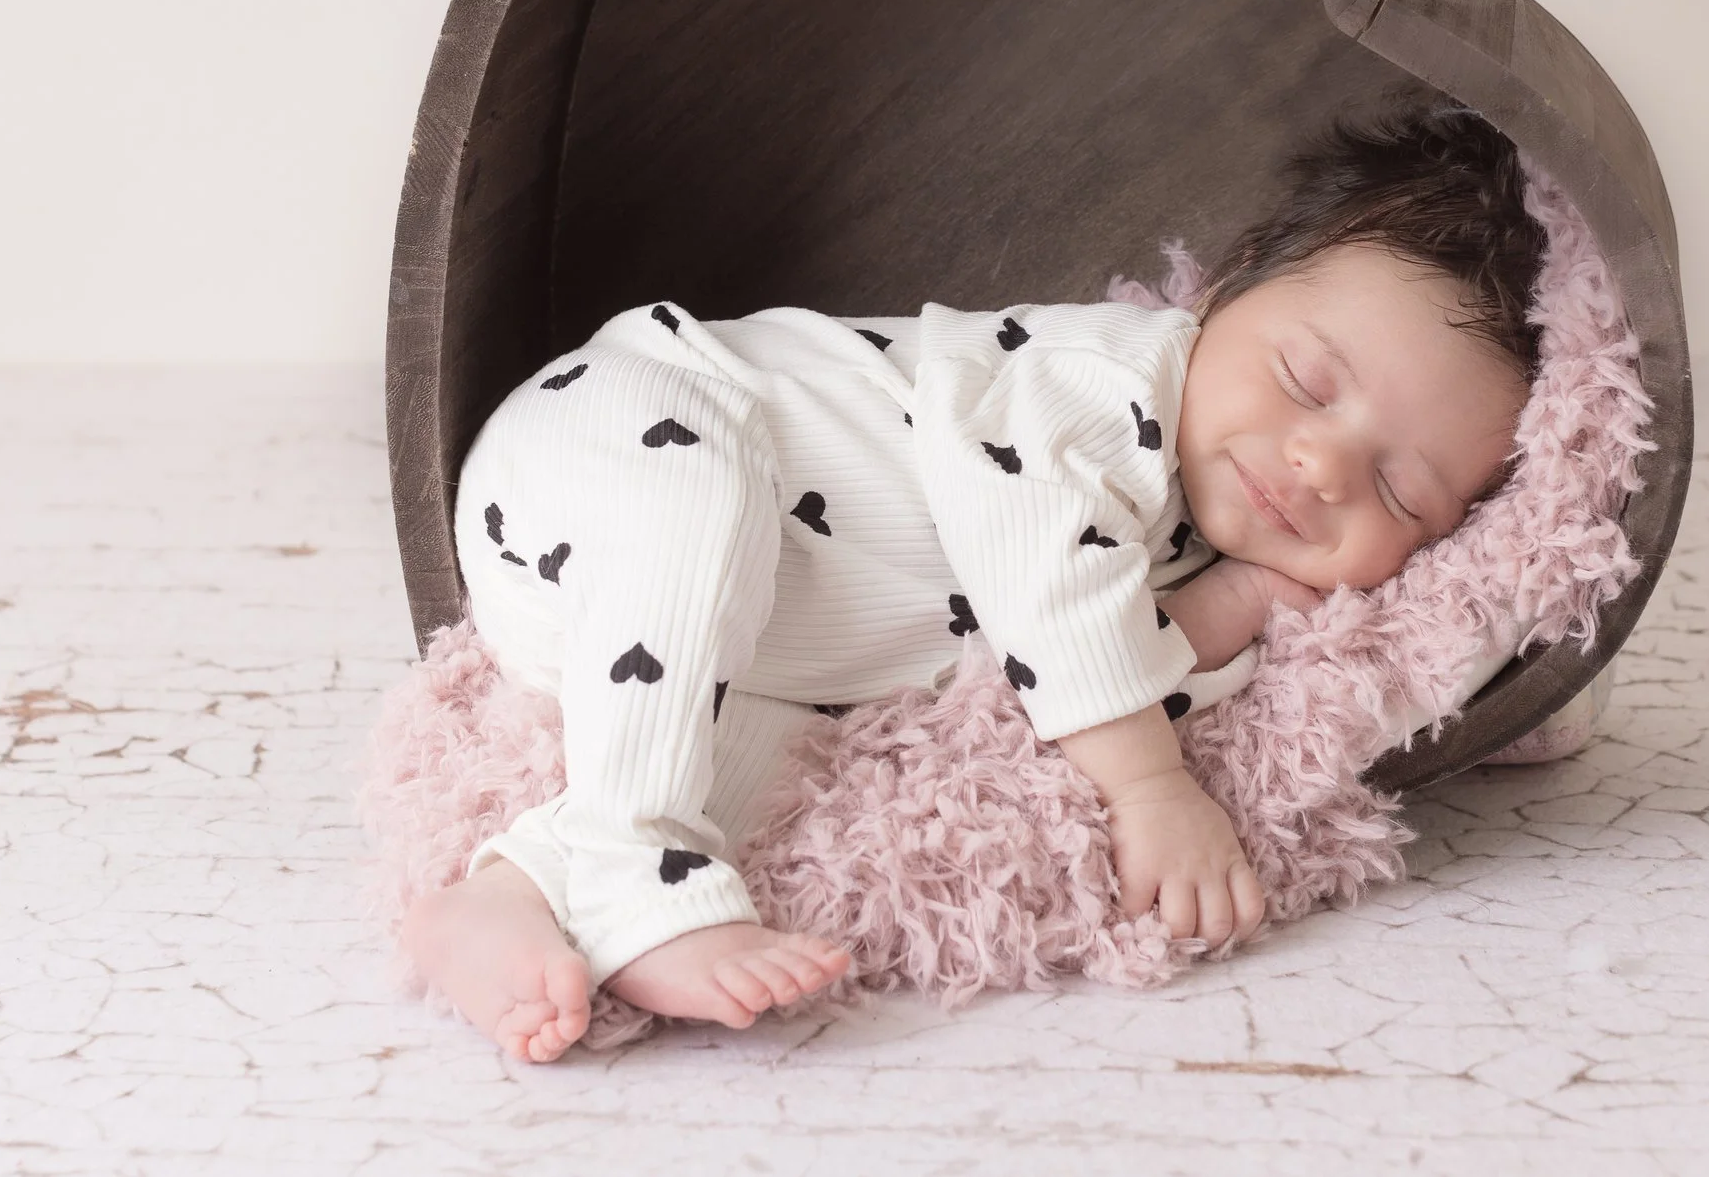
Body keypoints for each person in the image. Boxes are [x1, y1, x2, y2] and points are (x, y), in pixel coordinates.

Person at [402, 103, 1547, 1062]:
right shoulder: (1096, 385)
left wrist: (1239, 605)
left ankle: (512, 888)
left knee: (781, 750)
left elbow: (1095, 648)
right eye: (1304, 377)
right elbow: (1046, 584)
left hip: (695, 638)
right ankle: (631, 866)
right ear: (1227, 291)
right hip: (640, 430)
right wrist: (1151, 790)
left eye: (1402, 493)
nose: (1324, 463)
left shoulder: (1207, 532)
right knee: (693, 532)